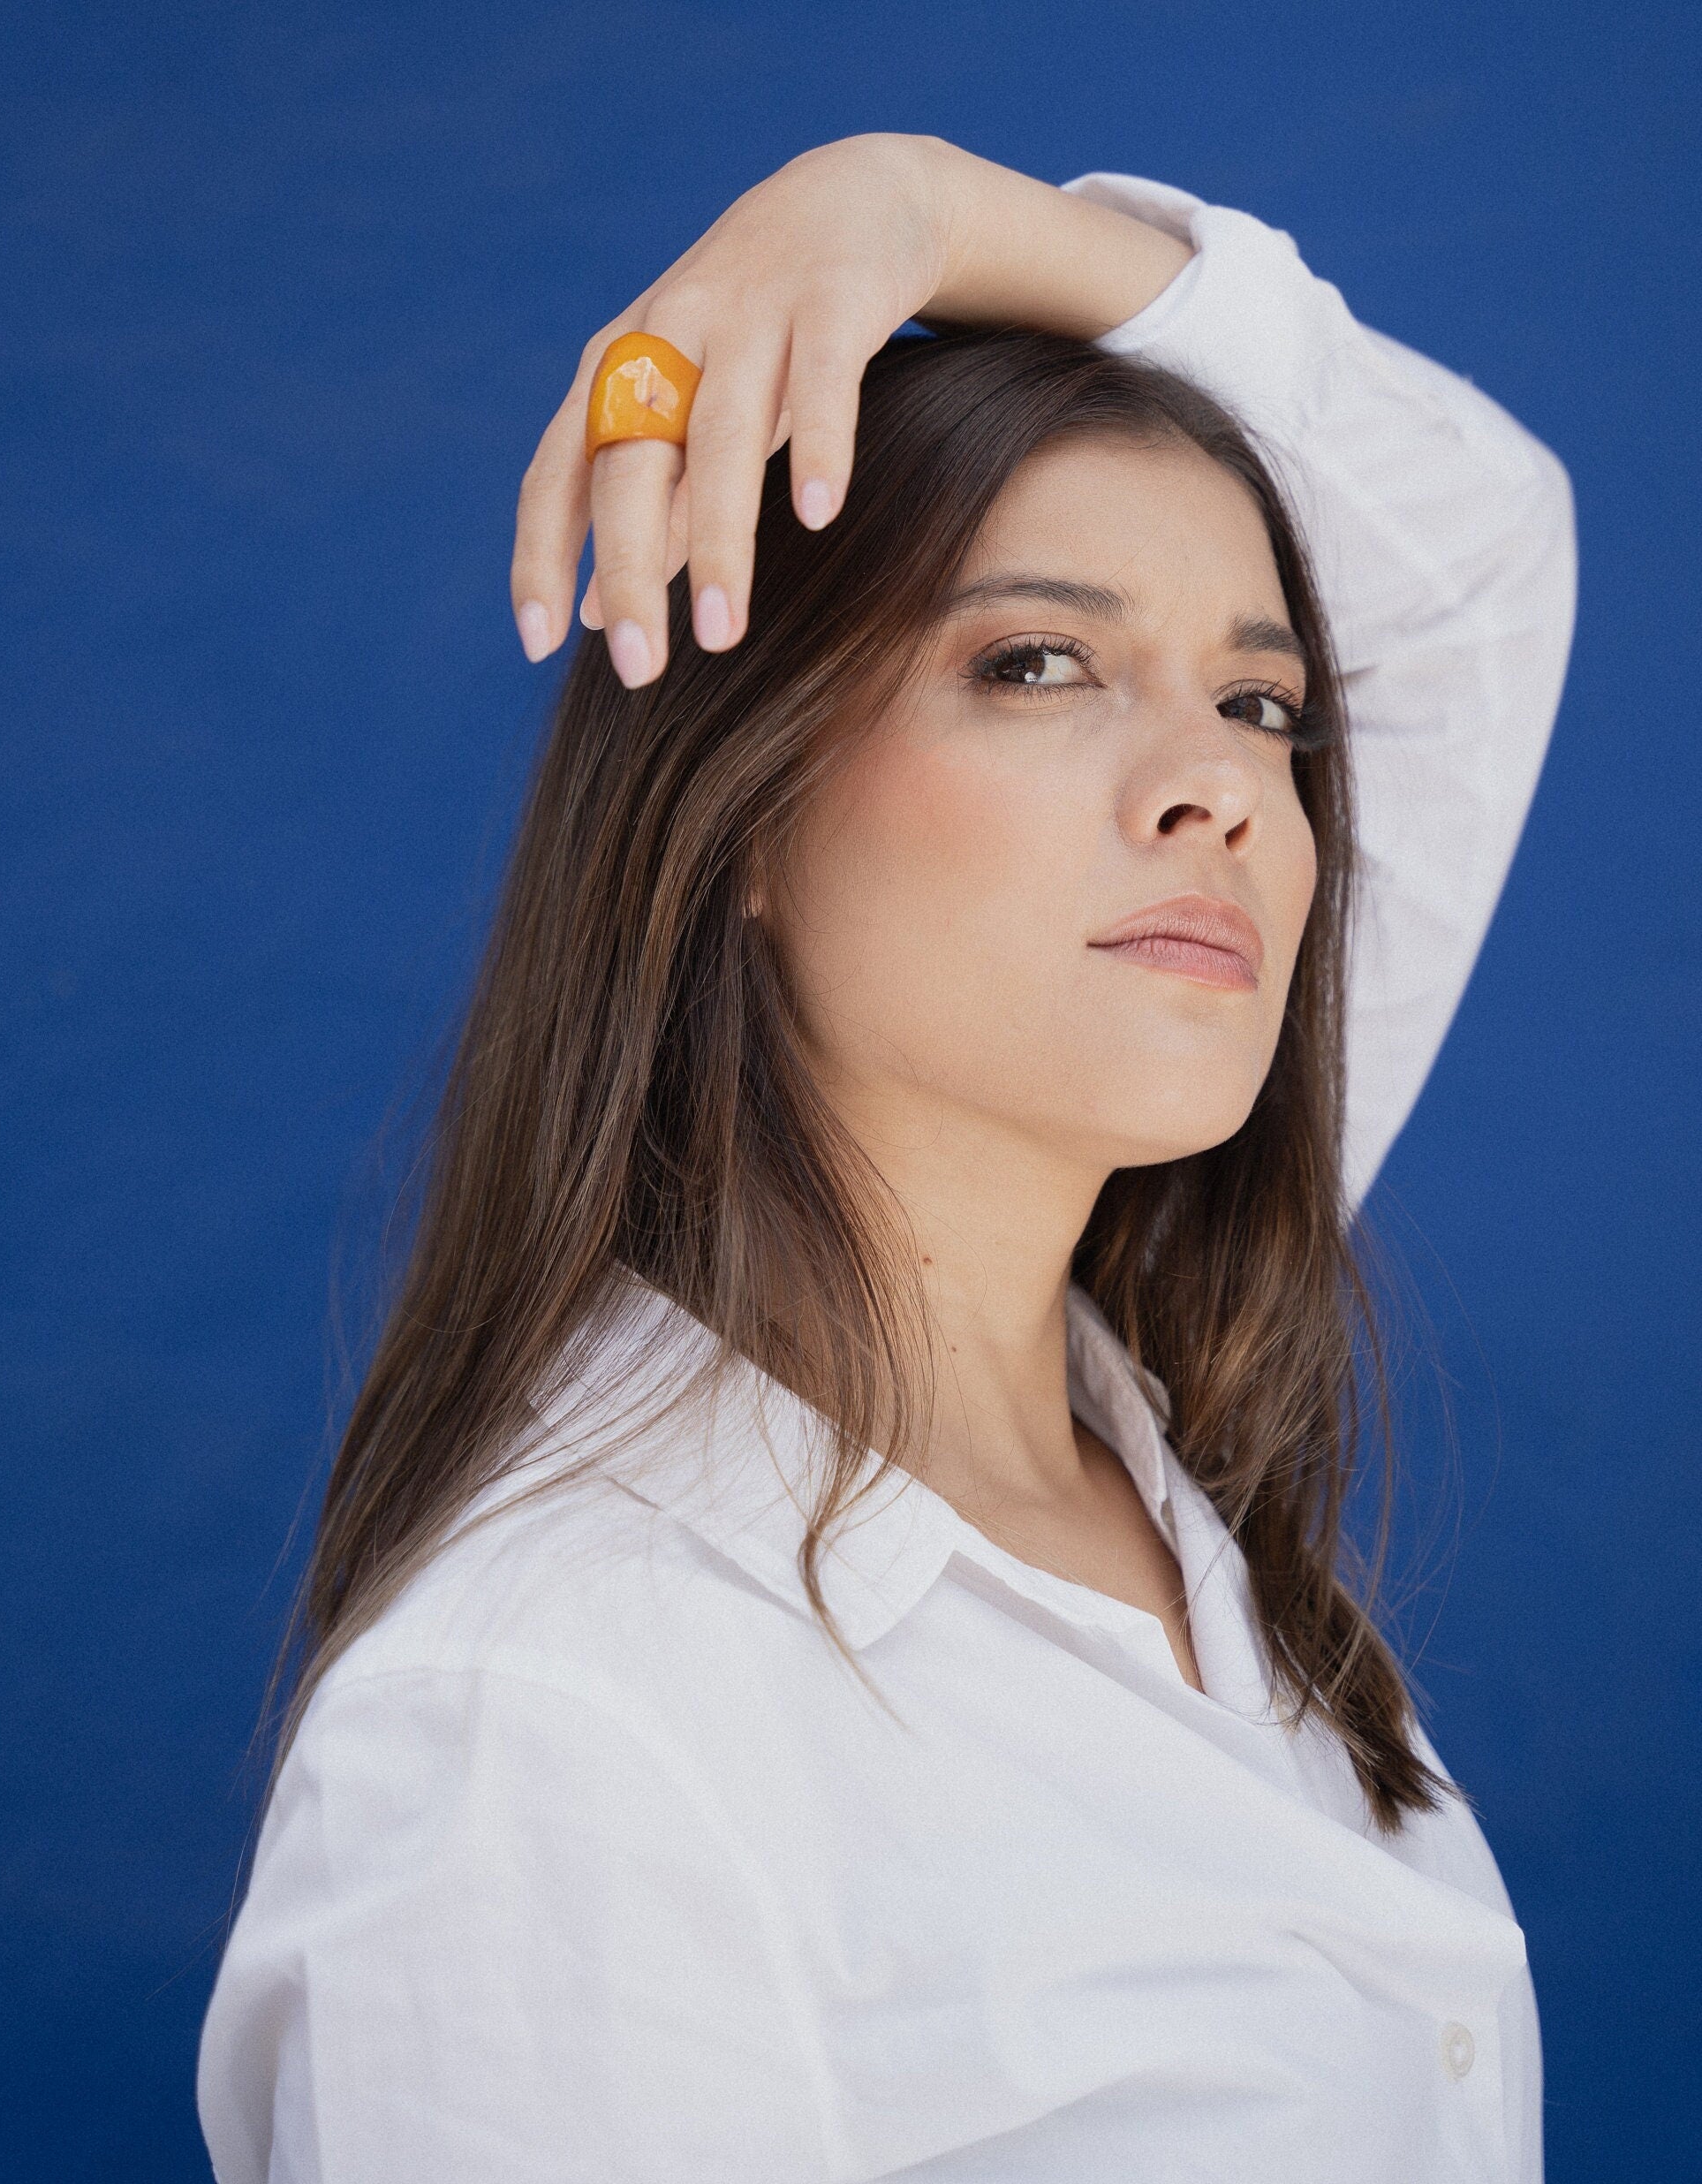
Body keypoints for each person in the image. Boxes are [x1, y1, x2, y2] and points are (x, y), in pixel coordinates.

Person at [197, 137, 1576, 2182]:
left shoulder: (1145, 1406)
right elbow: (1470, 552)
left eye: (1263, 700)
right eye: (1037, 664)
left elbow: (1467, 545)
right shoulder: (559, 1729)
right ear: (740, 812)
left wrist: (923, 209)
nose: (1217, 790)